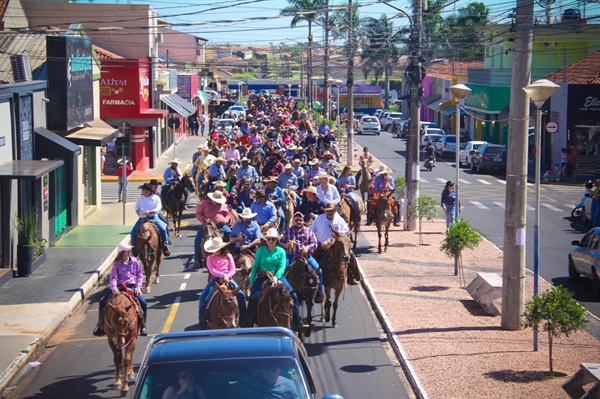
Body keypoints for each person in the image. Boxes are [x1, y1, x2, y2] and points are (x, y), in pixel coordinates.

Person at [246, 228, 308, 328]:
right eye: (269, 239)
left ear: (277, 240)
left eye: (273, 239)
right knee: (253, 298)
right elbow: (255, 267)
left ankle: (298, 320)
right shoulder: (260, 251)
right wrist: (251, 282)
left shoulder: (281, 251)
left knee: (294, 296)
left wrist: (275, 278)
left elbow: (281, 267)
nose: (271, 241)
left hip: (278, 276)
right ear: (266, 240)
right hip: (263, 276)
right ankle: (248, 322)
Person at [93, 242, 148, 337]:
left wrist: (138, 287)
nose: (130, 251)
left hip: (131, 286)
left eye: (130, 250)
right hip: (118, 287)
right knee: (102, 302)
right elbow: (113, 278)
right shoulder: (116, 264)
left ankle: (143, 325)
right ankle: (100, 325)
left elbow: (139, 275)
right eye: (127, 250)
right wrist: (114, 288)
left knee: (143, 303)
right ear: (122, 252)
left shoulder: (134, 261)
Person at [197, 237, 246, 328]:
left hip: (229, 279)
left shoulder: (228, 256)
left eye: (217, 250)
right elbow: (212, 270)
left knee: (240, 296)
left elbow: (233, 269)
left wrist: (227, 276)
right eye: (214, 250)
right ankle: (202, 322)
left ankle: (244, 319)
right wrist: (222, 275)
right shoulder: (210, 258)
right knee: (203, 298)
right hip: (216, 280)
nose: (215, 252)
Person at [310, 202, 361, 285]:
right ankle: (312, 277)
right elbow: (311, 231)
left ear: (334, 211)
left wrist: (339, 236)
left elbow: (346, 231)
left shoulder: (339, 220)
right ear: (325, 211)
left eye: (331, 211)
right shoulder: (319, 219)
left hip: (337, 244)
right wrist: (315, 241)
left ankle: (354, 276)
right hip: (323, 245)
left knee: (350, 255)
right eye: (327, 211)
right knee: (313, 257)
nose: (329, 213)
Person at [280, 212, 323, 302]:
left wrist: (308, 247)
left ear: (303, 221)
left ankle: (319, 292)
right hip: (291, 255)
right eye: (296, 220)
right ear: (293, 221)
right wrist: (286, 246)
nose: (298, 222)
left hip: (306, 256)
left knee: (319, 271)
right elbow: (280, 243)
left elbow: (314, 243)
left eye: (300, 220)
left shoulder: (308, 231)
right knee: (282, 270)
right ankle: (282, 290)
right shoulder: (287, 232)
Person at [131, 183, 171, 257]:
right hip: (142, 217)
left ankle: (165, 244)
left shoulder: (156, 198)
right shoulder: (141, 198)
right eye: (142, 190)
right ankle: (133, 247)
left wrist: (149, 211)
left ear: (148, 191)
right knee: (133, 231)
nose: (142, 191)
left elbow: (158, 208)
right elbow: (137, 208)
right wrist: (138, 212)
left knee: (163, 229)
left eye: (143, 190)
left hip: (153, 217)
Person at [194, 191, 231, 263]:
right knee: (198, 239)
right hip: (207, 225)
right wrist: (204, 220)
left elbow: (228, 215)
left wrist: (225, 220)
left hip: (219, 224)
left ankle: (234, 254)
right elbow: (198, 214)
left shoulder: (223, 205)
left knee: (230, 234)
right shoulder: (203, 204)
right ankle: (197, 258)